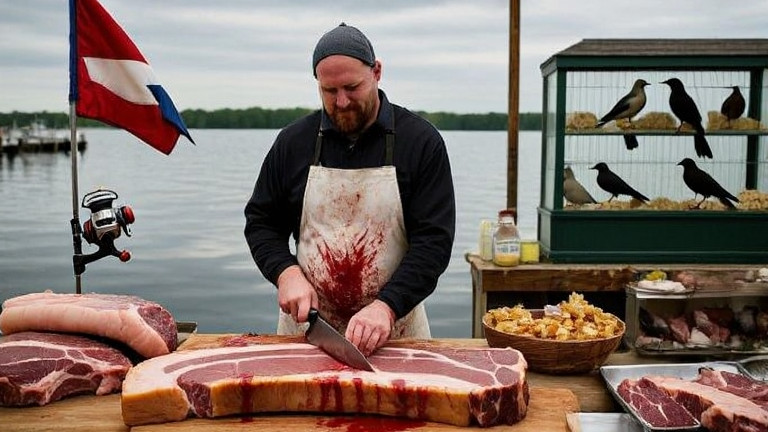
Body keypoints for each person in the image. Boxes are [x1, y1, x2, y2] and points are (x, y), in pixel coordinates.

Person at [244, 23, 455, 356]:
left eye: (351, 87)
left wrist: (388, 305)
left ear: (377, 72)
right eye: (329, 91)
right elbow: (262, 222)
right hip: (308, 334)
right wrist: (285, 272)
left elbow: (434, 243)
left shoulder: (421, 143)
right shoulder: (292, 143)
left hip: (396, 334)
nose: (341, 102)